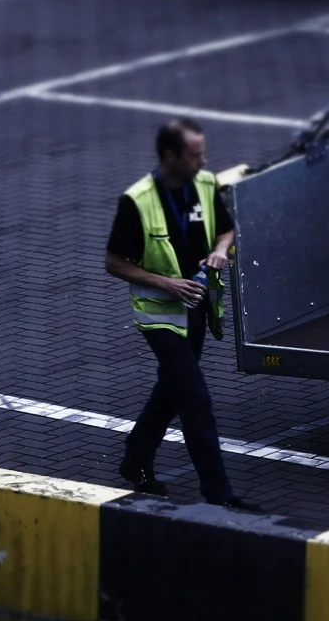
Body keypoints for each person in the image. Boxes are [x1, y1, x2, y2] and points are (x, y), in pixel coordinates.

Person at [103, 117, 244, 508]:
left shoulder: (205, 184)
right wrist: (166, 283)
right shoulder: (138, 201)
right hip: (161, 317)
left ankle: (136, 458)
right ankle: (220, 495)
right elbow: (114, 262)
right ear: (171, 156)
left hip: (195, 308)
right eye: (195, 154)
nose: (204, 160)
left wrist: (219, 250)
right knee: (195, 401)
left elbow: (227, 230)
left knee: (172, 389)